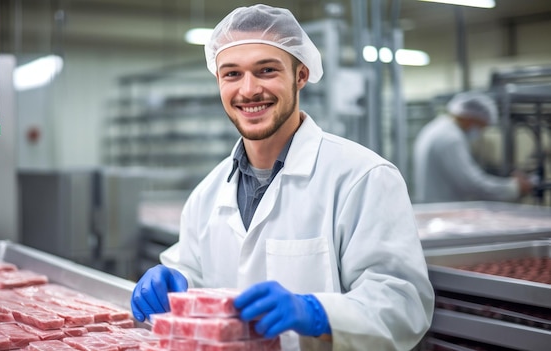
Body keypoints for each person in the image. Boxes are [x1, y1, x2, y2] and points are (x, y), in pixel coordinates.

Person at [131, 4, 434, 350]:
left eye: (266, 70)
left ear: (301, 75)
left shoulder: (362, 177)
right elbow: (196, 272)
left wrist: (317, 311)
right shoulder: (207, 194)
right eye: (232, 74)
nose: (248, 90)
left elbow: (404, 304)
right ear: (218, 81)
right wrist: (178, 280)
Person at [413, 91, 533, 203]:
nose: (479, 132)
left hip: (435, 208)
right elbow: (472, 184)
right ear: (470, 118)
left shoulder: (436, 128)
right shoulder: (451, 138)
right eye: (480, 126)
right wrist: (513, 187)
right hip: (445, 212)